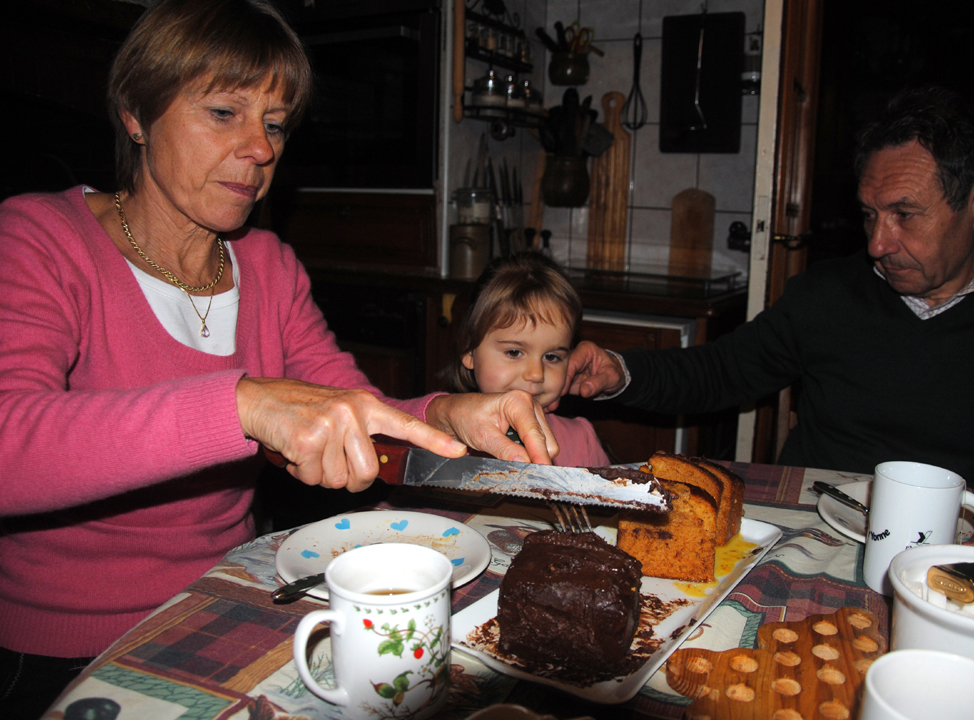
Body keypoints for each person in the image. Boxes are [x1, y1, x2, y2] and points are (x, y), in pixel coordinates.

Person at [0, 1, 557, 716]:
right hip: (63, 652)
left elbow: (353, 414)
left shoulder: (268, 265)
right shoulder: (40, 239)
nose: (260, 149)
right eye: (224, 112)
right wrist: (242, 404)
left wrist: (449, 414)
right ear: (136, 113)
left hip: (230, 607)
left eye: (274, 124)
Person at [563, 85, 974, 581]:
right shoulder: (827, 293)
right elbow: (722, 371)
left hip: (960, 554)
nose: (878, 244)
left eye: (904, 214)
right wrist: (620, 371)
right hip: (807, 538)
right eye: (870, 215)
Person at [443, 252, 610, 467]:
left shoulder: (582, 441)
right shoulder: (438, 440)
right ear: (469, 350)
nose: (536, 374)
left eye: (551, 356)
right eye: (514, 352)